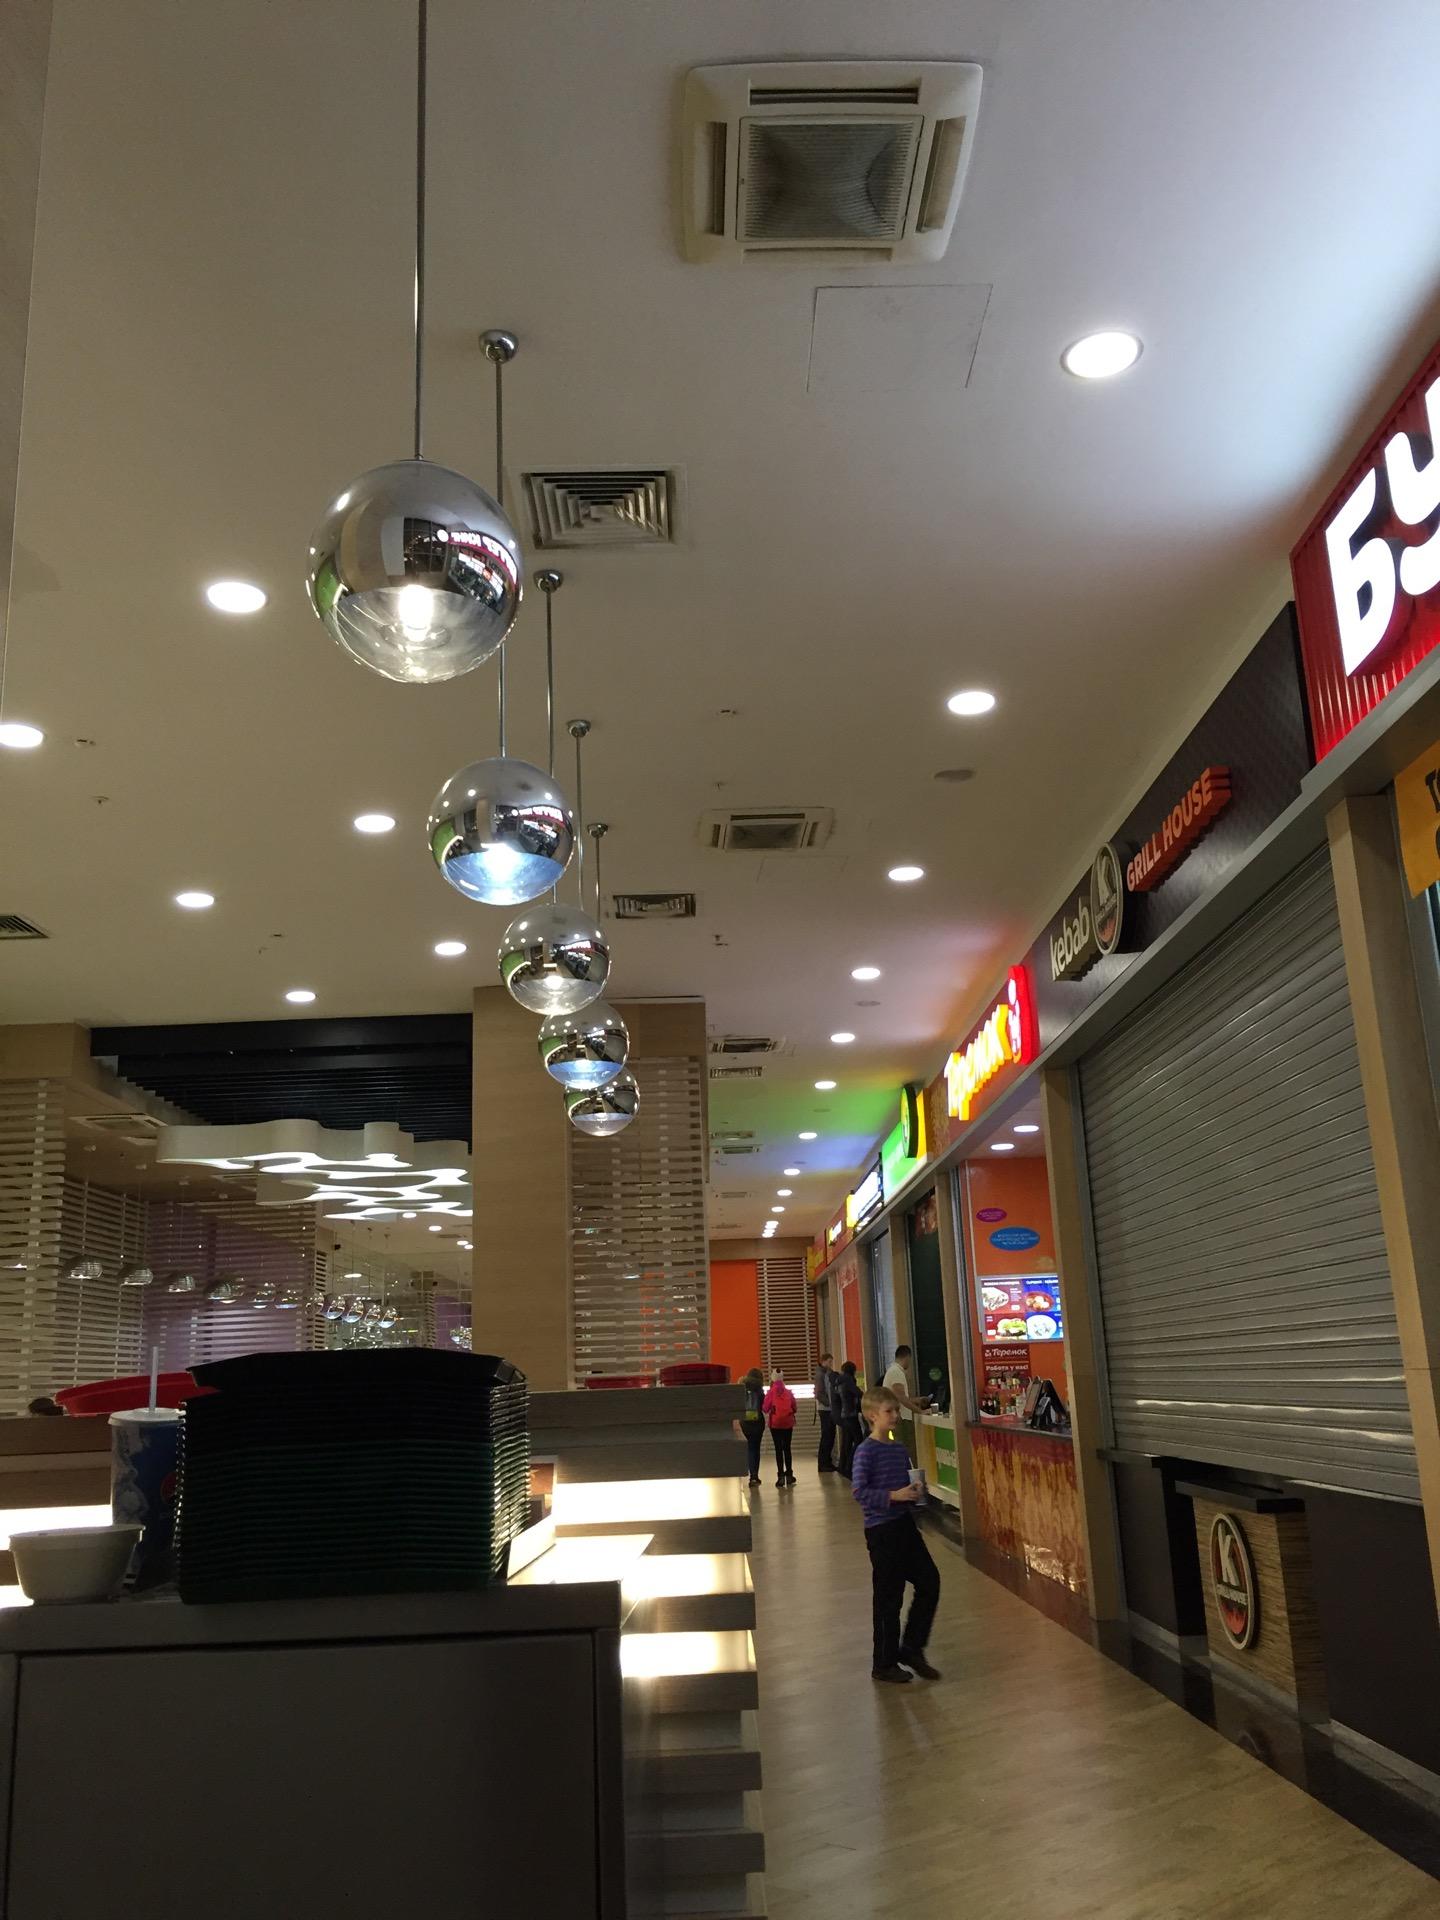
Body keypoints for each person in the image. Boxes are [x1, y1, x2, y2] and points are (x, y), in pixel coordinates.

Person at [851, 1387, 942, 1685]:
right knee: (889, 1597)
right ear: (871, 1416)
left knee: (929, 1581)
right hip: (881, 1531)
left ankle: (912, 1648)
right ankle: (884, 1662)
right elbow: (859, 1491)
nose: (895, 1416)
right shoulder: (866, 1451)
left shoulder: (899, 1450)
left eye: (896, 1411)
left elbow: (905, 1485)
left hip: (904, 1525)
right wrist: (894, 1495)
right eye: (888, 1411)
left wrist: (915, 1493)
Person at [763, 1367, 797, 1486]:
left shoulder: (771, 1392)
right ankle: (790, 1475)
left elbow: (765, 1408)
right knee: (787, 1448)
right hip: (788, 1423)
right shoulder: (788, 1392)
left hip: (775, 1424)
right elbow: (795, 1407)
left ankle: (781, 1476)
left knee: (778, 1449)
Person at [733, 1367, 765, 1486]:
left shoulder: (742, 1387)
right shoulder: (759, 1390)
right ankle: (754, 1476)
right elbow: (764, 1406)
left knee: (748, 1449)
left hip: (745, 1422)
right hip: (758, 1423)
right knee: (755, 1449)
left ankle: (745, 1473)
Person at [833, 1359, 864, 1477]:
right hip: (851, 1414)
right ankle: (850, 1465)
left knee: (847, 1441)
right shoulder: (848, 1380)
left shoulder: (839, 1381)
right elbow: (858, 1393)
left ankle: (844, 1467)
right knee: (859, 1440)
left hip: (844, 1414)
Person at [881, 1345, 931, 1415]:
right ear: (907, 1357)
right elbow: (901, 1398)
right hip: (900, 1416)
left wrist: (917, 1400)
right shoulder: (896, 1372)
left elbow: (899, 1397)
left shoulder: (894, 1371)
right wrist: (920, 1411)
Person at [814, 1351, 838, 1472]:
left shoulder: (825, 1373)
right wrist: (830, 1403)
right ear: (823, 1361)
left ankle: (827, 1461)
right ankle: (824, 1463)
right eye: (829, 1361)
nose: (830, 1364)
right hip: (825, 1409)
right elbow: (819, 1393)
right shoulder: (821, 1375)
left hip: (827, 1408)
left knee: (829, 1435)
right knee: (827, 1435)